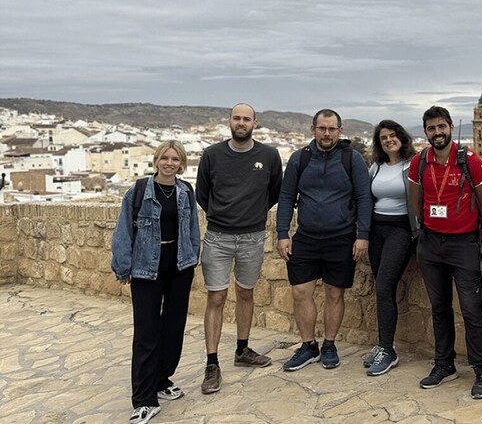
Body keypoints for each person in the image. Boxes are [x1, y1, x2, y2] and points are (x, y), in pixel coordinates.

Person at [408, 105, 482, 399]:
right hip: (431, 244)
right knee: (439, 308)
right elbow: (416, 202)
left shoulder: (468, 160)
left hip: (463, 245)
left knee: (472, 310)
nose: (437, 133)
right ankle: (444, 364)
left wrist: (477, 233)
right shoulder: (420, 162)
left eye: (441, 127)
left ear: (449, 127)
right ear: (426, 132)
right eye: (431, 128)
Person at [276, 109, 372, 372]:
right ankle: (308, 345)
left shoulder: (352, 159)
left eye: (332, 129)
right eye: (322, 128)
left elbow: (364, 198)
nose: (327, 133)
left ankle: (329, 344)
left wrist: (362, 235)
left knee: (334, 293)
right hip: (306, 237)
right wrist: (282, 233)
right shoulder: (300, 159)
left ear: (340, 131)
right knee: (300, 293)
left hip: (341, 237)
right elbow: (286, 197)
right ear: (313, 129)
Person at [196, 103, 282, 394]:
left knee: (246, 292)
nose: (241, 123)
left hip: (252, 237)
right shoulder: (212, 155)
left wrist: (252, 215)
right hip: (218, 237)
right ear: (229, 122)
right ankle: (212, 363)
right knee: (216, 298)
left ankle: (242, 350)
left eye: (247, 119)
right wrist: (223, 215)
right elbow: (202, 193)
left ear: (255, 123)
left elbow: (274, 192)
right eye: (237, 118)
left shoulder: (269, 155)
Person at [111, 141, 200, 424]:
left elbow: (193, 228)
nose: (169, 163)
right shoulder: (138, 192)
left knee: (173, 329)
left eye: (175, 159)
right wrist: (123, 266)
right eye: (165, 158)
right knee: (147, 334)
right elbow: (123, 231)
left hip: (179, 267)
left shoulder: (185, 191)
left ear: (182, 163)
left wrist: (193, 257)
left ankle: (162, 379)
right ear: (156, 160)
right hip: (146, 270)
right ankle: (144, 399)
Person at [363, 120, 419, 376]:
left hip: (400, 230)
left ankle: (388, 349)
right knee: (381, 288)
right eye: (383, 137)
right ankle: (382, 344)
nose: (388, 140)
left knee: (385, 284)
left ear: (401, 137)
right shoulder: (375, 168)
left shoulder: (413, 165)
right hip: (377, 230)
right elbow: (366, 199)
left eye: (393, 135)